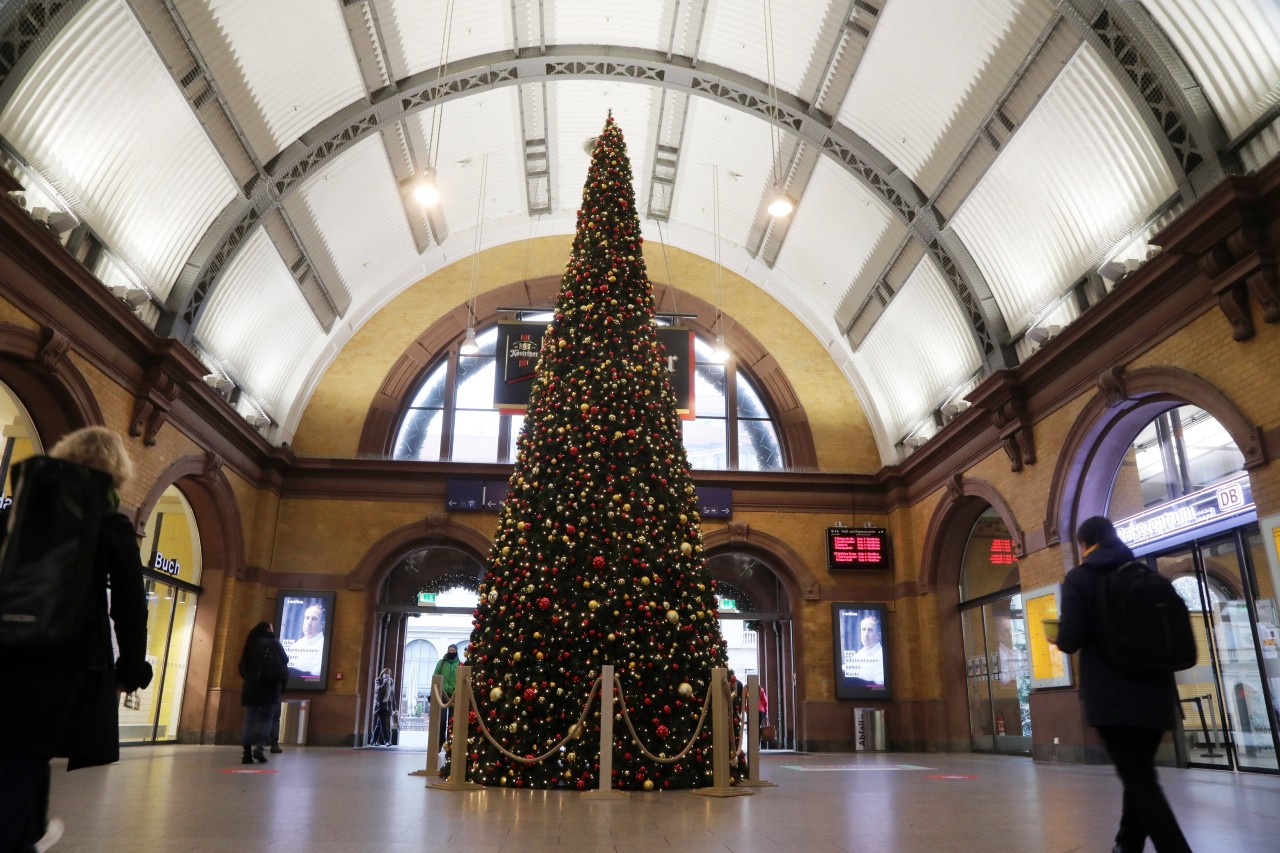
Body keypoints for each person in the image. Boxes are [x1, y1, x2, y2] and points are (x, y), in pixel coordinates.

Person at [0, 426, 152, 851]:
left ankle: (28, 832)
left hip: (5, 653)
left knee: (17, 748)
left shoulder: (15, 511)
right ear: (115, 473)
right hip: (62, 657)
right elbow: (129, 604)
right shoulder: (107, 521)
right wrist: (132, 668)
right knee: (29, 748)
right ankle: (19, 834)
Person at [1052, 516, 1191, 853]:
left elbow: (1071, 639)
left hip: (1112, 699)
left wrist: (1057, 636)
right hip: (1156, 695)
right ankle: (1126, 845)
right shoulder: (1147, 574)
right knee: (1139, 776)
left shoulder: (1080, 579)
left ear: (1084, 545)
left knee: (1141, 782)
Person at [238, 621, 289, 765]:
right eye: (272, 627)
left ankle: (246, 752)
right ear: (268, 629)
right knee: (266, 718)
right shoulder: (273, 643)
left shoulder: (250, 644)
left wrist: (249, 678)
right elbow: (285, 660)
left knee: (250, 719)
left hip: (251, 687)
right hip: (270, 687)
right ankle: (260, 748)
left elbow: (242, 666)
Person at [286, 603, 325, 678]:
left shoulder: (323, 646)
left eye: (314, 619)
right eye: (307, 618)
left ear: (322, 624)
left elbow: (316, 676)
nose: (309, 623)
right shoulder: (298, 643)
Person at [434, 644, 460, 748]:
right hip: (443, 694)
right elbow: (436, 676)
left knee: (452, 720)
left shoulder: (459, 664)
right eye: (450, 650)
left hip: (454, 695)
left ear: (456, 651)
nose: (451, 652)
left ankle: (450, 743)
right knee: (442, 719)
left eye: (453, 650)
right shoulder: (441, 663)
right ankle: (441, 742)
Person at [846, 614, 884, 685]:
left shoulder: (882, 656)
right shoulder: (859, 654)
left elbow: (880, 685)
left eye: (870, 630)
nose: (866, 634)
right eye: (863, 629)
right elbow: (846, 671)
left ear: (879, 635)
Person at [371, 668, 395, 747]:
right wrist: (385, 682)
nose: (387, 674)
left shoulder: (391, 681)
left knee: (379, 724)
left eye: (388, 673)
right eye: (385, 672)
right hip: (380, 706)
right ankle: (387, 741)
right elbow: (378, 690)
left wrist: (392, 707)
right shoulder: (378, 680)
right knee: (383, 724)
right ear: (382, 673)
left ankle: (373, 740)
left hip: (387, 706)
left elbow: (391, 694)